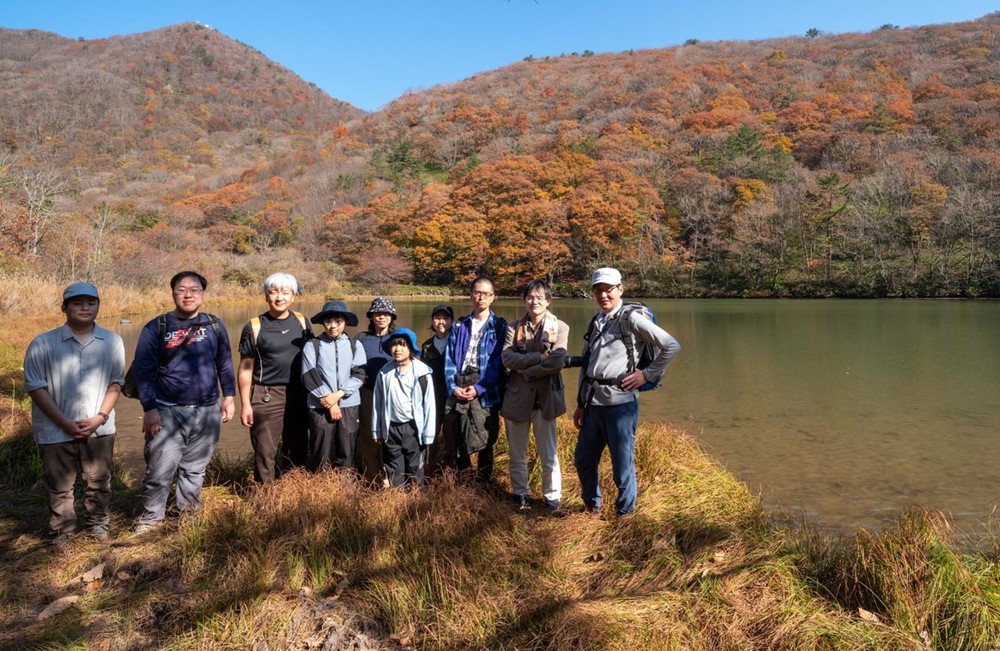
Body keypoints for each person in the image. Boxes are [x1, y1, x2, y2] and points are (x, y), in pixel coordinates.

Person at [132, 271, 237, 533]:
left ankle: (189, 518)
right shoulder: (157, 327)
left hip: (207, 409)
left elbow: (224, 363)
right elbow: (143, 371)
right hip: (167, 410)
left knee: (194, 469)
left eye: (194, 289)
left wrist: (229, 397)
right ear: (173, 293)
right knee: (159, 470)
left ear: (203, 294)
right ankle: (151, 520)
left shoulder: (214, 325)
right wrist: (150, 409)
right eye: (181, 289)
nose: (188, 294)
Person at [573, 267, 680, 518]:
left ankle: (625, 516)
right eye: (598, 290)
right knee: (583, 460)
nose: (603, 295)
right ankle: (592, 508)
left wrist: (646, 374)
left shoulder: (631, 318)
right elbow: (589, 366)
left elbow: (671, 345)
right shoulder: (596, 320)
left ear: (620, 289)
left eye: (608, 289)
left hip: (620, 404)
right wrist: (580, 403)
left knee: (622, 466)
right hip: (592, 403)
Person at [23, 282, 125, 543]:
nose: (85, 308)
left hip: (99, 427)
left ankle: (98, 526)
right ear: (64, 308)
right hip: (54, 428)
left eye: (91, 303)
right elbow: (35, 387)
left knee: (99, 481)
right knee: (59, 485)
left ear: (98, 307)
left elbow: (116, 382)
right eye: (78, 303)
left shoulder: (112, 341)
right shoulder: (42, 343)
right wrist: (64, 422)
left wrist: (99, 417)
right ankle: (63, 531)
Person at [237, 272, 312, 483]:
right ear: (266, 296)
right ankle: (265, 496)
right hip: (266, 393)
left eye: (285, 292)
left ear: (293, 296)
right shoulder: (254, 326)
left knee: (297, 445)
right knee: (264, 449)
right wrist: (245, 404)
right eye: (274, 292)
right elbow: (245, 368)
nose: (279, 297)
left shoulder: (302, 322)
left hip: (299, 392)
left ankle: (292, 490)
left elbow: (314, 358)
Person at [501, 280, 568, 511]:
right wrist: (539, 359)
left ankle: (552, 497)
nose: (534, 301)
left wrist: (526, 369)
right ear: (525, 300)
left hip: (546, 398)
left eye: (539, 297)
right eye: (530, 297)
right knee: (517, 452)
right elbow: (506, 359)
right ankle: (521, 494)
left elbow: (557, 361)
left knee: (548, 453)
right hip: (517, 398)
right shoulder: (512, 327)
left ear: (548, 301)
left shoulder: (560, 327)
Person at [444, 277, 507, 482]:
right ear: (471, 295)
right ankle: (464, 482)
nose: (481, 298)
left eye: (486, 294)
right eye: (477, 293)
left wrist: (480, 388)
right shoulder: (460, 325)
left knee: (486, 435)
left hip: (486, 387)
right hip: (461, 382)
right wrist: (453, 386)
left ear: (493, 297)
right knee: (461, 434)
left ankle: (484, 484)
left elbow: (498, 362)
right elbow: (450, 359)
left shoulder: (499, 326)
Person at [301, 300, 366, 472]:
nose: (333, 326)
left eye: (338, 321)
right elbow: (308, 375)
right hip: (319, 405)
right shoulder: (313, 345)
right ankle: (321, 488)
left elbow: (359, 373)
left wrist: (338, 395)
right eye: (329, 321)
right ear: (323, 323)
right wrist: (330, 401)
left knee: (347, 449)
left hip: (349, 404)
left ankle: (346, 487)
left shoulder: (355, 345)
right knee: (320, 449)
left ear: (345, 323)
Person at [371, 329, 435, 487]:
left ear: (410, 348)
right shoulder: (385, 373)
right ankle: (397, 500)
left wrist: (428, 434)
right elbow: (377, 403)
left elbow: (429, 406)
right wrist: (376, 430)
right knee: (394, 467)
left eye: (402, 345)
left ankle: (415, 503)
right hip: (391, 426)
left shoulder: (422, 373)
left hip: (413, 427)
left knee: (415, 467)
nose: (397, 349)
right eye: (393, 345)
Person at [354, 297, 397, 485]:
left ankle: (393, 477)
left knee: (391, 435)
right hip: (368, 393)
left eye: (386, 314)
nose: (381, 317)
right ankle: (374, 478)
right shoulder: (360, 339)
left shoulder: (398, 339)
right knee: (368, 435)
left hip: (393, 394)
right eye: (377, 313)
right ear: (371, 316)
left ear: (391, 317)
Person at [420, 304, 454, 476]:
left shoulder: (457, 343)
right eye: (437, 318)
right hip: (431, 399)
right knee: (430, 436)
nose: (441, 322)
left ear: (451, 321)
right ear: (432, 321)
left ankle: (449, 476)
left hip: (452, 398)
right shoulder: (426, 346)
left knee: (451, 438)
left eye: (445, 318)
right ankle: (427, 474)